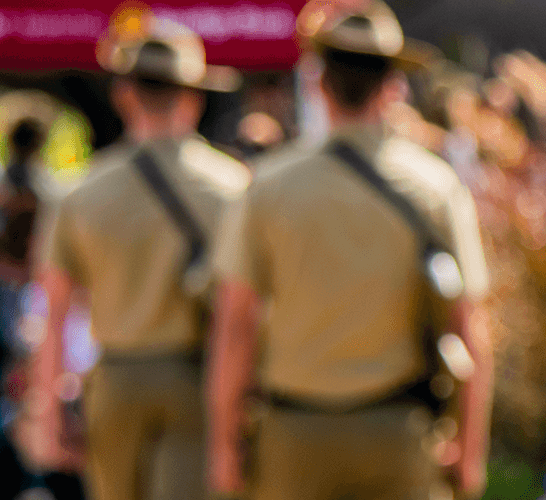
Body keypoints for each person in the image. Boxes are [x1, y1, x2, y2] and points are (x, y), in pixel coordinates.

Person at [206, 3, 494, 498]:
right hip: (400, 436)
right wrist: (469, 453)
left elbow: (235, 326)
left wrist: (225, 448)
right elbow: (472, 330)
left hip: (293, 439)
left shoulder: (268, 188)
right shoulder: (434, 189)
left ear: (319, 84)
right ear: (392, 86)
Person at [28, 15, 245, 500]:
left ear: (123, 94)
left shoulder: (80, 193)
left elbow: (54, 312)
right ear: (194, 96)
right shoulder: (234, 190)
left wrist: (47, 413)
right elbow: (248, 311)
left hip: (115, 384)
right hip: (202, 380)